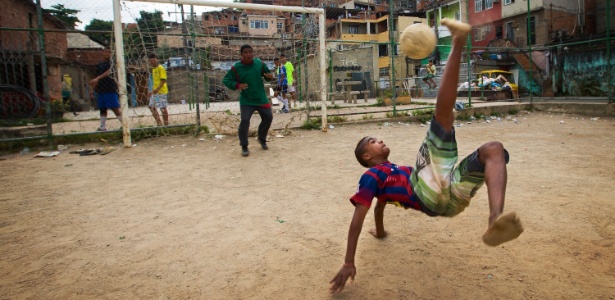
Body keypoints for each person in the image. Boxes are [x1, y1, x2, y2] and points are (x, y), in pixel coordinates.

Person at [329, 18, 524, 294]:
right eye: (373, 142)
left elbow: (379, 208)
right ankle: (458, 42)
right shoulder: (371, 175)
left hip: (451, 200)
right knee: (441, 121)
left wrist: (381, 233)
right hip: (425, 191)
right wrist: (348, 261)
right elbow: (360, 214)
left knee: (493, 149)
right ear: (367, 157)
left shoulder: (388, 177)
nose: (380, 140)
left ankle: (495, 220)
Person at [223, 45, 275, 157]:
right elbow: (226, 80)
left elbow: (268, 74)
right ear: (241, 55)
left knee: (268, 117)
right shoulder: (236, 68)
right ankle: (244, 145)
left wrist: (270, 76)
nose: (248, 54)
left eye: (250, 52)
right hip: (247, 99)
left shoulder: (259, 64)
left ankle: (262, 139)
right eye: (246, 52)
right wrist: (237, 85)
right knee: (245, 120)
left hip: (261, 97)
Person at [89, 50, 123, 131]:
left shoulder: (113, 63)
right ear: (102, 53)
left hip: (110, 88)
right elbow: (96, 78)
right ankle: (102, 126)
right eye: (106, 52)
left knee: (114, 108)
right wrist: (92, 89)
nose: (108, 54)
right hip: (101, 89)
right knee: (102, 108)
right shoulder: (100, 65)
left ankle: (124, 124)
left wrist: (97, 78)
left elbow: (109, 72)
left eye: (109, 52)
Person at [147, 53, 169, 126]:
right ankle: (159, 123)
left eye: (153, 60)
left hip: (161, 92)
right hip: (156, 93)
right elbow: (156, 82)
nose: (152, 62)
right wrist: (152, 91)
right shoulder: (153, 69)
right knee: (151, 106)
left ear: (157, 60)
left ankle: (166, 124)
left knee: (162, 108)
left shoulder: (160, 68)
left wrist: (157, 89)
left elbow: (163, 80)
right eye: (150, 61)